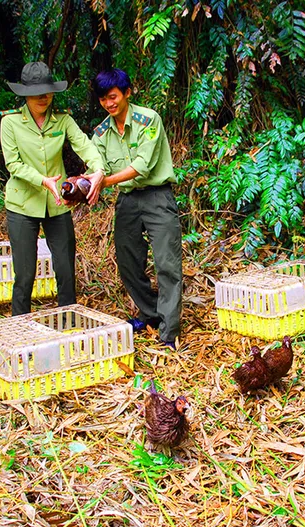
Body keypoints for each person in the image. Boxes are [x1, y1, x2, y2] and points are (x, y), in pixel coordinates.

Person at [1, 62, 105, 314]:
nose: (43, 97)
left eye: (47, 91)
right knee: (25, 274)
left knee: (66, 270)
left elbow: (84, 145)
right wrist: (42, 180)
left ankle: (69, 322)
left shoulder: (63, 119)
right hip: (22, 204)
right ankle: (20, 327)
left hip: (57, 205)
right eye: (36, 93)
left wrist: (99, 169)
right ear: (25, 94)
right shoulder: (10, 122)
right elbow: (13, 164)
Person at [91, 68, 182, 349]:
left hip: (157, 196)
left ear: (127, 93)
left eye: (113, 97)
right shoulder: (101, 133)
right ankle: (150, 312)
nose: (109, 104)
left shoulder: (148, 119)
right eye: (103, 99)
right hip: (128, 201)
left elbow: (142, 165)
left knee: (167, 263)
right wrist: (86, 183)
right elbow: (96, 166)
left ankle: (169, 330)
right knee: (128, 261)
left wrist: (104, 182)